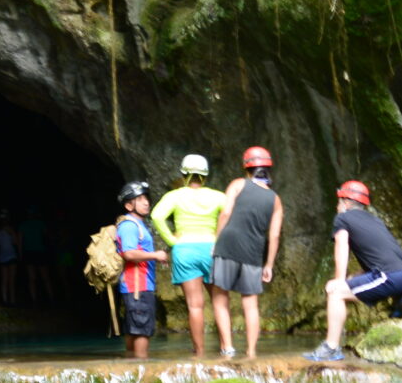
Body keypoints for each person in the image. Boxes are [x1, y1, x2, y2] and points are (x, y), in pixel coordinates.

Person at [307, 180, 402, 362]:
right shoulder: (374, 220)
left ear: (347, 202)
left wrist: (339, 280)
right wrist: (352, 277)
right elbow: (381, 256)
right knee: (355, 282)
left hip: (389, 276)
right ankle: (400, 300)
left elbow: (342, 246)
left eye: (339, 200)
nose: (337, 205)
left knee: (336, 293)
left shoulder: (343, 218)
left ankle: (331, 348)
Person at [151, 153, 231, 359]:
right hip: (213, 250)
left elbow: (157, 216)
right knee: (220, 302)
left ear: (184, 174)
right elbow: (231, 214)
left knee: (195, 305)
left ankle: (199, 352)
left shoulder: (175, 196)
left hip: (185, 250)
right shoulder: (218, 196)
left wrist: (172, 241)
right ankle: (227, 347)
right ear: (204, 176)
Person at [209, 145, 282, 359]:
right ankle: (250, 352)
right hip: (253, 252)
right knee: (250, 304)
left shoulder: (238, 184)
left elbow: (226, 213)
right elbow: (274, 236)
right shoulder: (275, 199)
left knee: (220, 295)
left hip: (228, 245)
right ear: (268, 168)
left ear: (246, 167)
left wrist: (216, 239)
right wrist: (268, 265)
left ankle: (228, 348)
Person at [114, 182, 161, 358]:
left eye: (146, 198)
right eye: (139, 199)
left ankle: (132, 366)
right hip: (137, 286)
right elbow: (129, 253)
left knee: (134, 326)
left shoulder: (137, 225)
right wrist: (156, 256)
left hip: (138, 285)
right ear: (128, 205)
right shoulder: (129, 226)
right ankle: (141, 366)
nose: (146, 202)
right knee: (142, 328)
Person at [19, 206, 52, 304]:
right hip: (36, 252)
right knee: (42, 277)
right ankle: (45, 299)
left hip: (33, 252)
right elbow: (46, 237)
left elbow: (46, 237)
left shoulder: (27, 224)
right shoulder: (37, 224)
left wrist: (21, 255)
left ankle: (39, 300)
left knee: (34, 278)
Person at [0, 209, 20, 305]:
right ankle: (12, 301)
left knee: (4, 280)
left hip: (2, 256)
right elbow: (16, 242)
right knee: (11, 280)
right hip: (11, 255)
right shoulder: (10, 229)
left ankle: (5, 300)